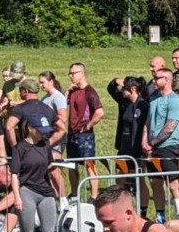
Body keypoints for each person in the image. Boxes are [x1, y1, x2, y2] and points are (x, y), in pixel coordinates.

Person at [9, 115, 60, 232]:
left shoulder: (45, 145)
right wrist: (17, 196)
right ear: (30, 129)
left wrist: (59, 165)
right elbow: (14, 174)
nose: (44, 134)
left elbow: (49, 166)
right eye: (40, 131)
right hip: (27, 191)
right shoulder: (20, 148)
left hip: (46, 192)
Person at [141, 68, 179, 221]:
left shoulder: (174, 101)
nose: (153, 80)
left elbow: (170, 127)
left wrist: (152, 143)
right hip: (153, 148)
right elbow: (148, 122)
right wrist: (144, 140)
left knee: (173, 184)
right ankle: (160, 216)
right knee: (155, 182)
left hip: (168, 148)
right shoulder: (153, 98)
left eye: (157, 78)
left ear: (166, 80)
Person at [106, 75, 150, 212]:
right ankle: (125, 204)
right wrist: (115, 81)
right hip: (124, 146)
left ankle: (142, 210)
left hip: (136, 148)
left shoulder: (143, 105)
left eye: (124, 88)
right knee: (120, 176)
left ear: (133, 89)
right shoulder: (124, 102)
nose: (122, 90)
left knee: (138, 179)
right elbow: (111, 89)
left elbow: (145, 128)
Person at [64, 63, 105, 198]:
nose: (70, 76)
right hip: (71, 133)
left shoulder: (89, 92)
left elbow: (99, 112)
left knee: (89, 164)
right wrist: (67, 91)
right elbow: (63, 106)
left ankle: (94, 196)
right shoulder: (73, 91)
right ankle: (75, 194)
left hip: (84, 134)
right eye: (70, 73)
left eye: (73, 73)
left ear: (82, 73)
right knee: (71, 165)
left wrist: (88, 126)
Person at [39, 71, 68, 162]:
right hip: (47, 135)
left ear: (51, 82)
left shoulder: (58, 97)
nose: (40, 85)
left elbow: (63, 118)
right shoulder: (44, 99)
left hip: (57, 135)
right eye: (40, 83)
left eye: (42, 82)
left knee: (53, 168)